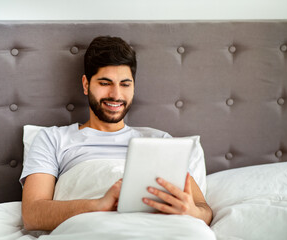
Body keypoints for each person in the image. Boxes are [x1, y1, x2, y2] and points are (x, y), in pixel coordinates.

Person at [20, 36, 213, 231]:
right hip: (92, 227)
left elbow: (203, 209)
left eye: (125, 84)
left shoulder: (160, 141)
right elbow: (32, 215)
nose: (116, 95)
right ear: (86, 85)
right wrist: (98, 205)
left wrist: (192, 212)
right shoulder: (53, 139)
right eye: (105, 83)